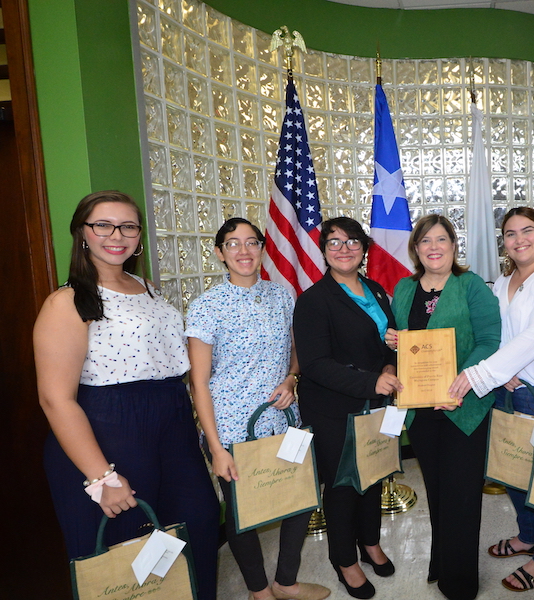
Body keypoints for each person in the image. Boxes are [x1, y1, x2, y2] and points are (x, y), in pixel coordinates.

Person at [36, 191, 220, 600]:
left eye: (129, 226)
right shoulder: (66, 302)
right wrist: (102, 478)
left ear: (139, 236)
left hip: (171, 428)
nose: (116, 234)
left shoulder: (145, 286)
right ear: (83, 233)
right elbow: (55, 400)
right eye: (103, 224)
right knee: (129, 558)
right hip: (110, 433)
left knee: (198, 528)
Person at [186, 218, 330, 600]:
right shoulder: (206, 307)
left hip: (284, 420)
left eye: (252, 242)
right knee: (242, 513)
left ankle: (286, 581)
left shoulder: (283, 296)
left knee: (300, 501)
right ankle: (258, 590)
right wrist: (216, 448)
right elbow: (198, 382)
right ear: (220, 253)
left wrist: (291, 379)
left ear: (263, 249)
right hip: (231, 428)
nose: (244, 251)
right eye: (233, 244)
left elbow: (297, 353)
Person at [448, 206, 534, 593]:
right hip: (508, 392)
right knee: (514, 474)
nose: (519, 239)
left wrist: (480, 375)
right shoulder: (503, 280)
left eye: (528, 230)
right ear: (502, 241)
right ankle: (527, 536)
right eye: (510, 233)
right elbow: (493, 335)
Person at [383, 215, 501, 600]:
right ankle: (442, 559)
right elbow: (404, 341)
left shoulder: (472, 287)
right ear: (416, 249)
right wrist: (392, 340)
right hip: (420, 412)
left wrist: (462, 380)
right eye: (425, 241)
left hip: (462, 407)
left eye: (441, 239)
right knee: (435, 490)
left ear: (454, 245)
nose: (434, 247)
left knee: (462, 494)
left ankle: (461, 582)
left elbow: (489, 342)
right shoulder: (403, 288)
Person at [293, 217, 401, 600]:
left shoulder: (376, 290)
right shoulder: (312, 301)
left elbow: (385, 344)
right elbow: (316, 364)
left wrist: (390, 364)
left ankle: (370, 542)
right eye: (335, 242)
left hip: (375, 404)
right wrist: (371, 382)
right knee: (342, 487)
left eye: (353, 241)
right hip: (333, 409)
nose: (344, 248)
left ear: (364, 247)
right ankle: (344, 559)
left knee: (372, 475)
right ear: (323, 251)